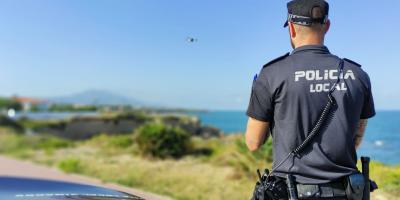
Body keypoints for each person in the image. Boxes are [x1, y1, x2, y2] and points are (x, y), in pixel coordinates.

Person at [245, 0, 375, 199]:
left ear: (291, 28)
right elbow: (355, 138)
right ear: (327, 26)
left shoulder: (271, 74)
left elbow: (253, 143)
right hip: (345, 192)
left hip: (292, 192)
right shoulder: (357, 75)